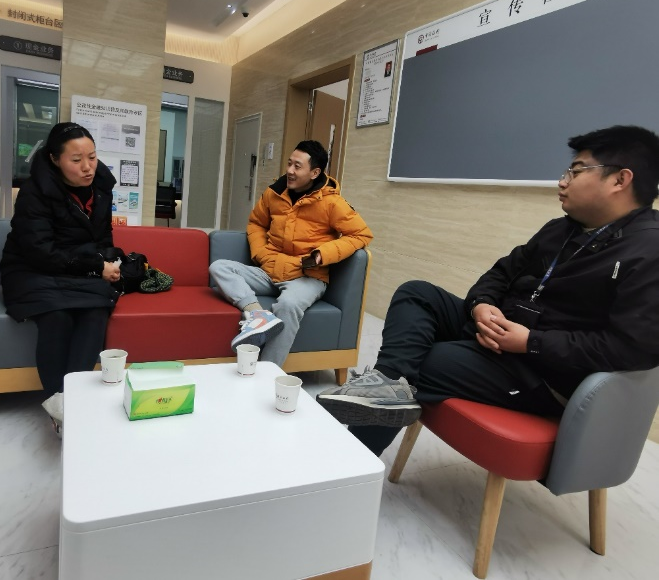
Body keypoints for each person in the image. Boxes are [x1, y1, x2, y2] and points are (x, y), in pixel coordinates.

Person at [317, 125, 659, 456]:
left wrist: (530, 342)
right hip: (499, 337)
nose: (562, 181)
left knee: (423, 362)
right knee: (417, 293)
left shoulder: (648, 251)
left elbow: (631, 349)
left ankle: (351, 463)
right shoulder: (560, 229)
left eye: (576, 171)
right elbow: (501, 272)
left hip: (542, 373)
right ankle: (387, 390)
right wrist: (481, 305)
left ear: (619, 180)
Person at [0, 122, 122, 435]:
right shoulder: (34, 193)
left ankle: (70, 404)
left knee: (95, 311)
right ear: (55, 159)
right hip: (32, 269)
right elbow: (39, 251)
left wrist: (107, 260)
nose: (88, 167)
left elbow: (103, 235)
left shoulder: (101, 187)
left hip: (80, 267)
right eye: (76, 160)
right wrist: (95, 267)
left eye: (92, 157)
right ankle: (61, 406)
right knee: (56, 315)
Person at [209, 140, 373, 366]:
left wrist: (322, 254)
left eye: (297, 166)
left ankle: (268, 371)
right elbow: (256, 223)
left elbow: (361, 234)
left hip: (306, 276)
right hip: (269, 270)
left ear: (314, 172)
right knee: (219, 267)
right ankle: (258, 315)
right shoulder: (274, 193)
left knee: (288, 304)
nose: (290, 171)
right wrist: (260, 253)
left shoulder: (332, 202)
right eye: (289, 164)